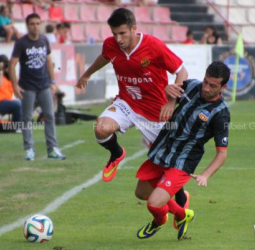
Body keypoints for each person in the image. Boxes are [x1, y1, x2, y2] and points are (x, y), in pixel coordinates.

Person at [76, 7, 189, 215]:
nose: (118, 39)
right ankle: (116, 153)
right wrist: (86, 74)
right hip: (127, 104)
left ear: (134, 29)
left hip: (156, 113)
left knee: (168, 164)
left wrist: (171, 102)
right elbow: (105, 56)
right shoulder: (111, 45)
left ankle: (182, 201)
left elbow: (181, 71)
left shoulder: (153, 46)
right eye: (114, 34)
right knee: (101, 129)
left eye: (122, 33)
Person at [135, 61, 231, 240]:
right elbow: (172, 90)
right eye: (205, 81)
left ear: (223, 87)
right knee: (140, 193)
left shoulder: (221, 113)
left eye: (212, 85)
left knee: (154, 205)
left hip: (184, 159)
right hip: (164, 149)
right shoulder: (191, 86)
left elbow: (222, 153)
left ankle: (160, 220)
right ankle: (182, 213)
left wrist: (205, 175)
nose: (206, 88)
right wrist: (170, 100)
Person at [10, 13, 66, 161]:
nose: (35, 26)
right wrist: (15, 86)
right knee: (27, 118)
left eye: (37, 23)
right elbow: (12, 64)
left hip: (44, 85)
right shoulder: (21, 43)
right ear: (27, 25)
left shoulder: (44, 40)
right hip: (27, 86)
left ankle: (52, 149)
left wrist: (53, 82)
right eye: (32, 24)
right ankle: (29, 149)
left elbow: (49, 61)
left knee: (49, 116)